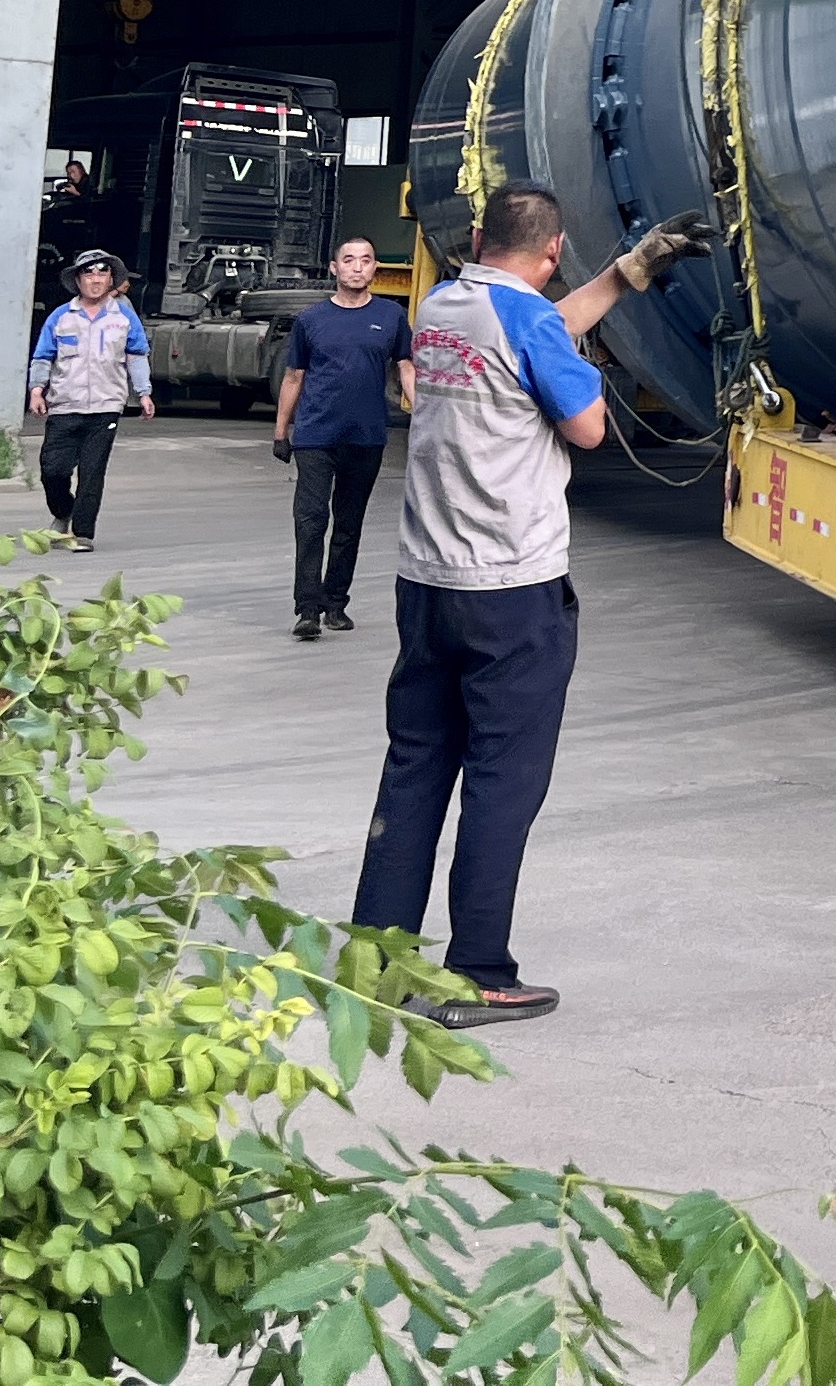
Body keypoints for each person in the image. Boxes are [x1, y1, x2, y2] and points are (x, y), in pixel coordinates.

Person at [351, 184, 710, 1027]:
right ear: (552, 253)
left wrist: (626, 275)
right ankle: (478, 971)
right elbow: (586, 425)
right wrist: (589, 366)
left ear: (479, 237)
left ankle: (376, 962)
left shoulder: (444, 307)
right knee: (502, 784)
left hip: (427, 582)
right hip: (511, 591)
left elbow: (535, 326)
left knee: (415, 769)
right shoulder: (531, 326)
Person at [276, 238, 411, 640]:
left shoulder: (391, 316)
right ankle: (307, 609)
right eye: (348, 260)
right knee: (310, 521)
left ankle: (335, 603)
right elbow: (294, 376)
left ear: (374, 268)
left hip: (365, 437)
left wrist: (423, 414)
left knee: (349, 524)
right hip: (316, 435)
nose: (357, 267)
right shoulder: (311, 320)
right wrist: (281, 431)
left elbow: (406, 366)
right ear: (334, 268)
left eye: (365, 260)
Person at [26, 251, 153, 547]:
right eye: (88, 273)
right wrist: (36, 390)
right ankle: (63, 511)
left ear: (110, 280)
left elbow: (136, 356)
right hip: (64, 405)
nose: (95, 279)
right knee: (52, 470)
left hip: (106, 407)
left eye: (102, 273)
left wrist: (144, 392)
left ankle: (83, 533)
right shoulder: (61, 317)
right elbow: (43, 356)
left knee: (92, 472)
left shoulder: (124, 318)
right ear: (78, 280)